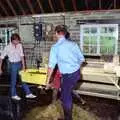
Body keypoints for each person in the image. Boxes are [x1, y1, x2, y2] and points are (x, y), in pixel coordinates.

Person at [47, 25, 85, 120]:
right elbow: (81, 60)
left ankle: (68, 118)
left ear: (56, 33)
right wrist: (77, 69)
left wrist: (47, 81)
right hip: (76, 74)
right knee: (65, 93)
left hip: (68, 75)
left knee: (65, 97)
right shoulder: (73, 44)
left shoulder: (55, 47)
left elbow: (51, 66)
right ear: (65, 33)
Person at [0, 33, 36, 100]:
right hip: (13, 65)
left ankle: (28, 93)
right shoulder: (7, 47)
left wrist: (24, 66)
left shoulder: (20, 45)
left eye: (18, 40)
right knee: (13, 80)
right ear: (13, 40)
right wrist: (0, 68)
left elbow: (22, 56)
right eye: (17, 40)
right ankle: (13, 95)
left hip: (19, 63)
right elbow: (1, 58)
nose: (18, 41)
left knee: (23, 79)